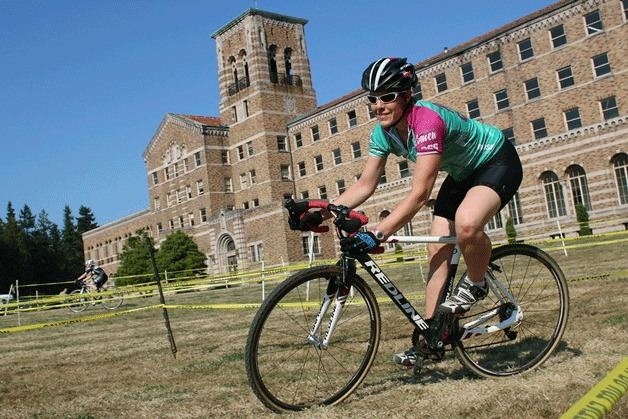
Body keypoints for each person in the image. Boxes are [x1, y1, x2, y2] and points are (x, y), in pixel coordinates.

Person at [290, 57, 523, 367]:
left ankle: (477, 283)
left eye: (387, 97)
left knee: (467, 225)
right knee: (436, 249)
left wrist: (378, 233)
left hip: (496, 161)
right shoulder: (382, 134)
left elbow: (420, 193)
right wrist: (323, 213)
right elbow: (364, 185)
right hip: (462, 174)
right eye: (372, 99)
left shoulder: (426, 120)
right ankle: (432, 337)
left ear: (406, 95)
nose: (378, 105)